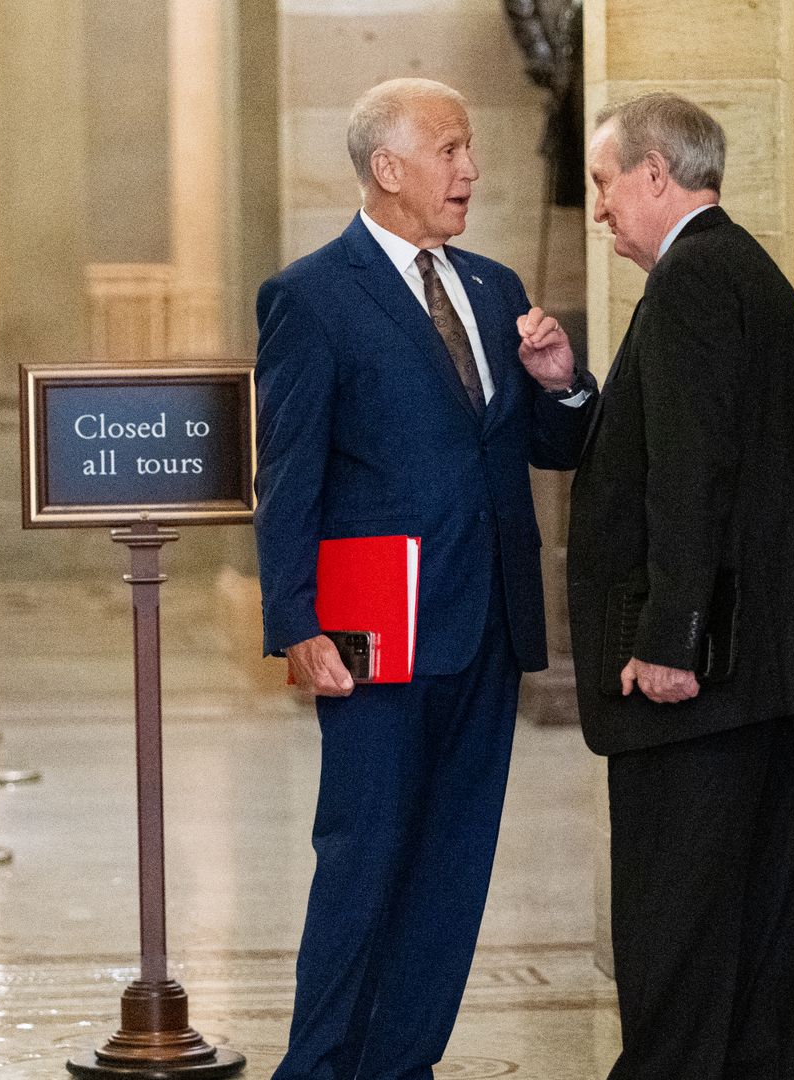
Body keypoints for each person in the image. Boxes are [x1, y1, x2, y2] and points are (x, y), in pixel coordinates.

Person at [252, 76, 596, 1080]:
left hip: (488, 627)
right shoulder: (310, 298)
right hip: (375, 637)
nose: (471, 170)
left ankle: (403, 1065)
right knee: (363, 862)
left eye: (469, 149)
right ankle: (317, 1070)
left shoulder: (493, 288)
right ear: (387, 168)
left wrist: (563, 380)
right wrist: (294, 621)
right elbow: (292, 475)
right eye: (448, 150)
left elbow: (551, 443)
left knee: (451, 873)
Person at [567, 92, 794, 1079]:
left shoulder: (691, 281)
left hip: (704, 685)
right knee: (756, 936)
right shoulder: (748, 273)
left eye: (604, 183)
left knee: (676, 937)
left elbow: (693, 470)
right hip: (769, 675)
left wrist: (666, 640)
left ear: (653, 174)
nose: (598, 207)